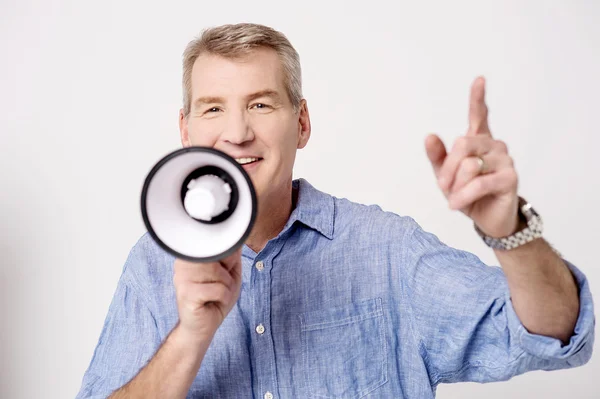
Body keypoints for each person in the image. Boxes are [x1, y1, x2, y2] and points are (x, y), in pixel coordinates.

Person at [76, 23, 594, 399]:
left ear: (301, 123)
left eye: (260, 103)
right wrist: (190, 336)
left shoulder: (385, 251)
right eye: (213, 108)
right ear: (186, 131)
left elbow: (556, 335)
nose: (236, 132)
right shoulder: (151, 267)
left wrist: (510, 231)